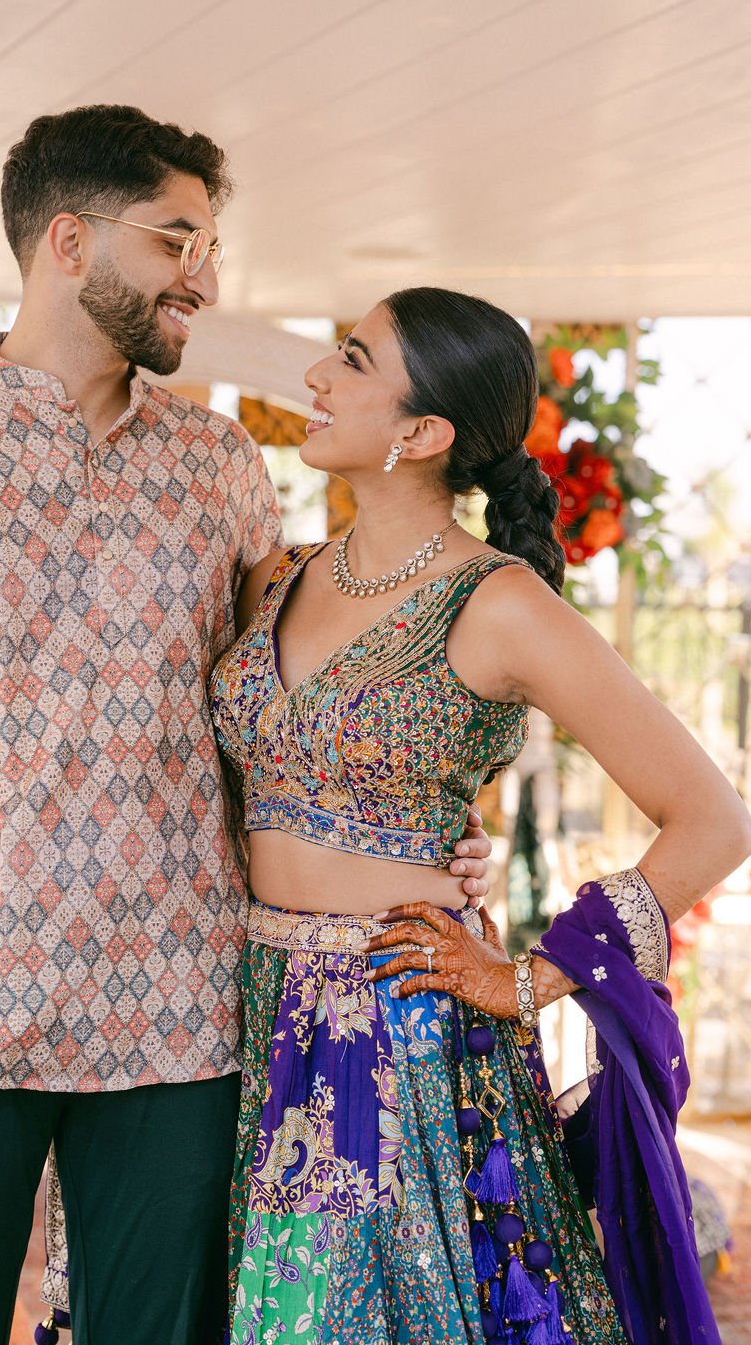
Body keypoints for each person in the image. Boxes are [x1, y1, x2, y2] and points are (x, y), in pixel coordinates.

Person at [0, 107, 492, 1345]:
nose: (206, 277)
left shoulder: (219, 467)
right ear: (70, 241)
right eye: (177, 240)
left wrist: (408, 835)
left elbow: (278, 714)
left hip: (180, 1007)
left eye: (212, 246)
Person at [210, 286, 751, 1344]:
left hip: (397, 1025)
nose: (316, 376)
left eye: (352, 359)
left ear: (421, 434)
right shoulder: (279, 578)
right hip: (246, 1003)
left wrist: (528, 979)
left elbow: (713, 820)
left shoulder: (498, 603)